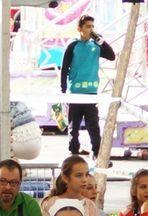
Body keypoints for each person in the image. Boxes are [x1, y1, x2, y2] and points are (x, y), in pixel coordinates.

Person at [60, 15, 115, 157]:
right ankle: (73, 153)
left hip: (91, 92)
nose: (91, 29)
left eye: (92, 26)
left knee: (93, 125)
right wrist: (63, 89)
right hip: (75, 92)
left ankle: (97, 153)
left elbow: (112, 56)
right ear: (80, 28)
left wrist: (102, 42)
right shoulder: (73, 45)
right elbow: (64, 68)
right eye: (88, 26)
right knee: (74, 126)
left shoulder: (96, 45)